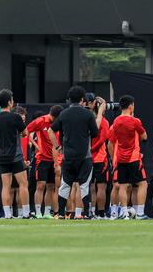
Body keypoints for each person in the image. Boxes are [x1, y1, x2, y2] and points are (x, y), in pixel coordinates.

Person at [51, 86, 100, 218]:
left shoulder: (63, 114)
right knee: (84, 186)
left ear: (69, 99)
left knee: (65, 185)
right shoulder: (88, 114)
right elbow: (95, 133)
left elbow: (51, 131)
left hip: (68, 156)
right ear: (82, 99)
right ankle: (87, 214)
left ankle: (61, 214)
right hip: (84, 156)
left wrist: (58, 147)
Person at [0, 89, 32, 218]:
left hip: (1, 155)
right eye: (12, 99)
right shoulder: (15, 117)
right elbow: (25, 133)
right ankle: (26, 213)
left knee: (5, 186)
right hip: (15, 155)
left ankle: (7, 214)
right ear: (9, 102)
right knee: (23, 184)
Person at [109, 95, 148, 219]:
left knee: (122, 185)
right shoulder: (135, 121)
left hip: (120, 158)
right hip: (133, 158)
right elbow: (144, 137)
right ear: (131, 106)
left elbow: (111, 142)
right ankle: (140, 213)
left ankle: (124, 212)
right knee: (142, 184)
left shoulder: (116, 121)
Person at [25, 105, 62, 217]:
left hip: (54, 158)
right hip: (42, 158)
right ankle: (37, 212)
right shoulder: (41, 121)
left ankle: (46, 212)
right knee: (40, 185)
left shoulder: (58, 123)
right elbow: (26, 130)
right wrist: (35, 145)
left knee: (51, 187)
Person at [87, 94, 113, 219]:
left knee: (91, 187)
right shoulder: (104, 122)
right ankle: (100, 214)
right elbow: (103, 139)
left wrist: (89, 149)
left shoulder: (86, 119)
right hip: (99, 158)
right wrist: (93, 149)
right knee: (101, 186)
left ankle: (91, 212)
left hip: (87, 156)